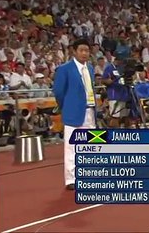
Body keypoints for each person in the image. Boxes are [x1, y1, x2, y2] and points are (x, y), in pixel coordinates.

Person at [53, 38, 97, 190]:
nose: (84, 53)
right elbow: (58, 92)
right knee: (71, 146)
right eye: (81, 50)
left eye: (87, 50)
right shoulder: (65, 69)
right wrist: (66, 106)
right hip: (73, 112)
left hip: (90, 111)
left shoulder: (90, 68)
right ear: (74, 51)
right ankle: (71, 179)